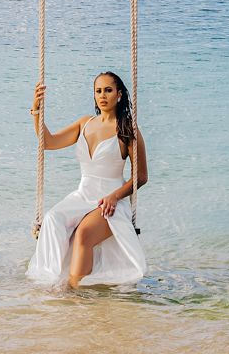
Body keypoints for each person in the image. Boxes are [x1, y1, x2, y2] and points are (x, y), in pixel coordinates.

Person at [26, 71, 148, 288]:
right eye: (98, 91)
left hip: (111, 200)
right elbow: (48, 142)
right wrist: (36, 109)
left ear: (119, 94)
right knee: (52, 219)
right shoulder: (85, 124)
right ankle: (52, 280)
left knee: (83, 233)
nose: (103, 95)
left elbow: (141, 176)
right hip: (83, 195)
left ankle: (74, 290)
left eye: (108, 90)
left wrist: (114, 196)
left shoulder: (128, 129)